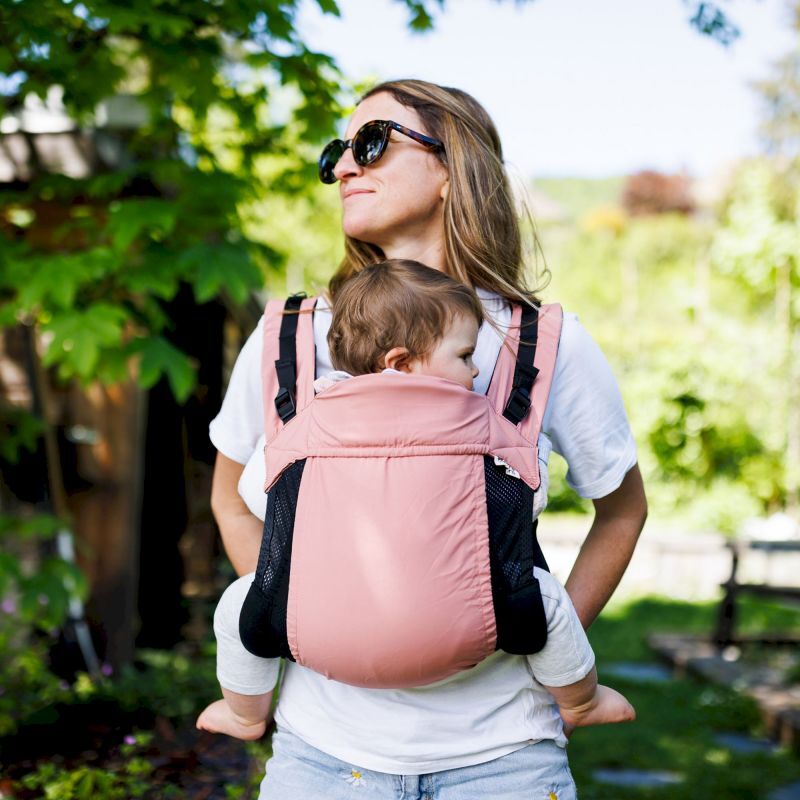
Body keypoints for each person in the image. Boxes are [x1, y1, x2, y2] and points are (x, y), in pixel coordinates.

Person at [207, 80, 647, 799]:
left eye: (372, 143)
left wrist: (546, 640)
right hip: (323, 756)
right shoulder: (288, 337)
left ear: (453, 168)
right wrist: (302, 602)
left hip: (504, 757)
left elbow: (621, 511)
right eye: (337, 153)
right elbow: (231, 501)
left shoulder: (536, 344)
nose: (345, 166)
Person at [197, 259, 635, 744]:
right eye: (466, 356)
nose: (475, 371)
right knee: (547, 599)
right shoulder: (483, 424)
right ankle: (580, 699)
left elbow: (259, 491)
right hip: (473, 625)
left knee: (238, 604)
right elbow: (524, 498)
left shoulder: (309, 419)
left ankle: (244, 713)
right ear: (402, 363)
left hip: (321, 624)